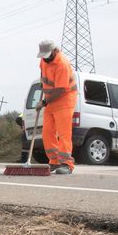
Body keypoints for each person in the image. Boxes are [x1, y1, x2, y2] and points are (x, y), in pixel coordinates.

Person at [35, 40, 78, 174]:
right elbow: (44, 76)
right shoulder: (43, 60)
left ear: (54, 51)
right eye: (43, 56)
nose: (45, 58)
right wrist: (43, 85)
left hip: (64, 100)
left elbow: (60, 89)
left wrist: (44, 102)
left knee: (64, 134)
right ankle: (54, 162)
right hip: (51, 101)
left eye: (47, 55)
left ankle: (67, 164)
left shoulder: (62, 64)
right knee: (47, 132)